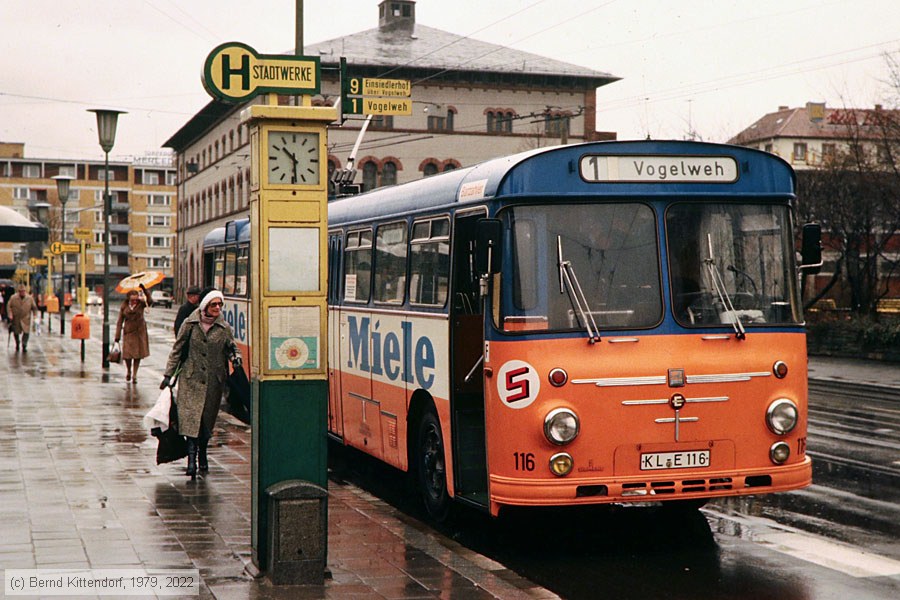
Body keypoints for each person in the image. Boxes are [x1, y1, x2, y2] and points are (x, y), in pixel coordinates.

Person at [160, 289, 241, 479]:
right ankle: (191, 460)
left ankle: (203, 454)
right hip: (191, 379)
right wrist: (168, 375)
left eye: (220, 305)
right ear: (205, 306)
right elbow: (177, 351)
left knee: (206, 422)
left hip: (214, 382)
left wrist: (236, 358)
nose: (217, 308)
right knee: (190, 421)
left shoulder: (224, 327)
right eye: (214, 305)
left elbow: (231, 348)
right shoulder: (190, 324)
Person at [114, 283, 153, 383]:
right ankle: (128, 370)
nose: (134, 301)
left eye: (136, 299)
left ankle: (135, 374)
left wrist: (144, 289)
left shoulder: (141, 304)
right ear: (128, 299)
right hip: (128, 332)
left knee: (137, 355)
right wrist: (117, 337)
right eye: (132, 299)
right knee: (127, 355)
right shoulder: (124, 306)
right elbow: (119, 322)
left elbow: (150, 301)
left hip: (139, 332)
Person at [7, 284, 38, 352]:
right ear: (18, 291)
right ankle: (17, 343)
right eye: (21, 291)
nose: (22, 292)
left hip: (26, 318)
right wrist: (10, 314)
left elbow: (34, 308)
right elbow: (9, 306)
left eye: (23, 291)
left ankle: (24, 345)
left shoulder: (30, 298)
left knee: (26, 332)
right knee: (16, 332)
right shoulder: (13, 298)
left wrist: (35, 315)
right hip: (16, 318)